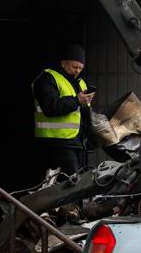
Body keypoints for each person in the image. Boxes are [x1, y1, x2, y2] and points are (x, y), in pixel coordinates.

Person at [32, 44, 95, 175]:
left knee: (76, 181)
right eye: (75, 67)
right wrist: (77, 100)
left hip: (76, 142)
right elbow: (50, 107)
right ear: (64, 63)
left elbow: (83, 114)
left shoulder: (80, 83)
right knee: (72, 183)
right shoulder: (48, 78)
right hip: (56, 141)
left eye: (81, 68)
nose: (78, 70)